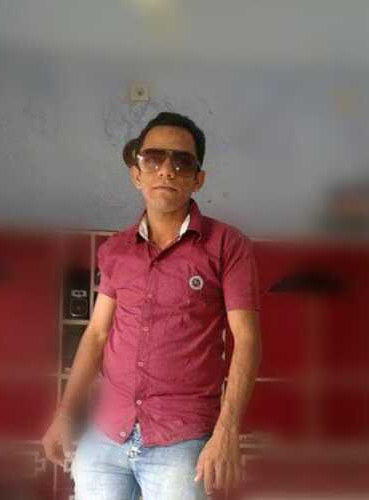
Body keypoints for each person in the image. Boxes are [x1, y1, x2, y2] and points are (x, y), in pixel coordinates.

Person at [42, 112, 262, 499]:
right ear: (136, 173)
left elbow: (246, 339)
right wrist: (64, 415)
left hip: (181, 438)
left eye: (182, 161)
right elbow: (96, 335)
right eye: (154, 158)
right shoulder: (116, 250)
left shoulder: (227, 245)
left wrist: (227, 432)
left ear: (198, 179)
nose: (167, 170)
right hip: (106, 432)